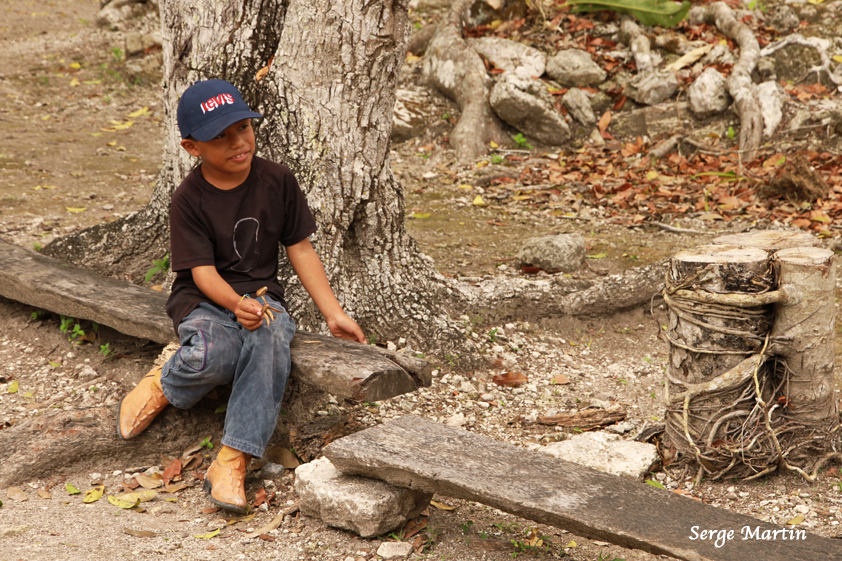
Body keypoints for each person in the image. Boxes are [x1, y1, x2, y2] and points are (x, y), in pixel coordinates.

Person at [116, 79, 365, 514]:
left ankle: (232, 459)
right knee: (218, 353)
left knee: (270, 340)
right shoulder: (188, 199)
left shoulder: (277, 180)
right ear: (192, 148)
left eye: (244, 129)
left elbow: (300, 248)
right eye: (221, 137)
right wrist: (233, 305)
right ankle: (165, 380)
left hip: (261, 296)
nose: (238, 143)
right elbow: (202, 272)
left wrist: (333, 313)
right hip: (205, 299)